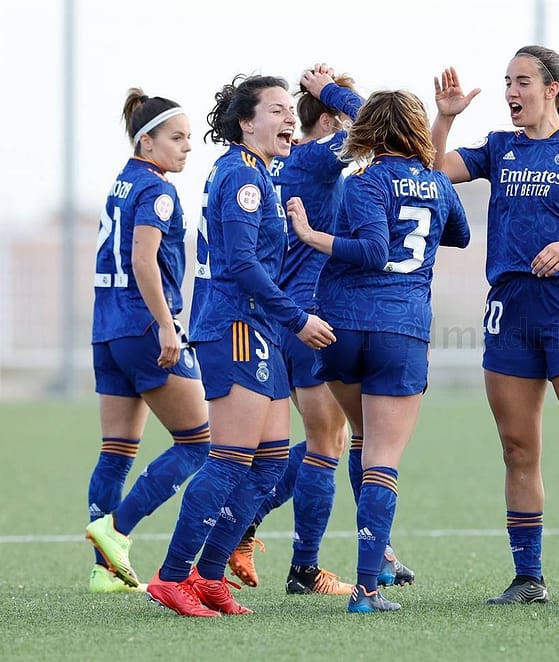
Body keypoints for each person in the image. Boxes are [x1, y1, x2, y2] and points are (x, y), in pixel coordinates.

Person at [432, 46, 559, 605]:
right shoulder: (500, 148)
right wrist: (446, 115)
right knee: (517, 448)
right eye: (506, 82)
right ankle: (529, 579)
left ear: (553, 88)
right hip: (510, 309)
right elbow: (431, 167)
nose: (510, 91)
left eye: (521, 80)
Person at [144, 74, 336, 617]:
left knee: (272, 461)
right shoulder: (242, 177)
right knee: (229, 459)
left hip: (259, 329)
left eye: (288, 110)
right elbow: (241, 265)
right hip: (235, 327)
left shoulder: (258, 173)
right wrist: (298, 319)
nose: (288, 118)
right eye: (276, 110)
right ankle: (173, 575)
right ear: (246, 122)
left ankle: (208, 575)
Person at [287, 88, 470, 612]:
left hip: (343, 328)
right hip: (400, 329)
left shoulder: (361, 179)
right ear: (414, 128)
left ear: (367, 128)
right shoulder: (436, 180)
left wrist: (311, 233)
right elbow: (453, 235)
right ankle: (366, 590)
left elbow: (367, 249)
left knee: (362, 440)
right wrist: (312, 234)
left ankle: (380, 561)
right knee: (382, 461)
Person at [225, 63, 363, 597]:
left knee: (284, 451)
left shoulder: (262, 166)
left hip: (269, 317)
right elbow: (370, 122)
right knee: (327, 442)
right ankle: (302, 566)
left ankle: (242, 530)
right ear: (327, 118)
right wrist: (331, 90)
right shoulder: (314, 157)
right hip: (305, 317)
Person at [85, 89, 211, 594]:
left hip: (107, 330)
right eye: (176, 138)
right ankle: (116, 532)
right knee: (198, 443)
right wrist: (165, 324)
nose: (186, 147)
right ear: (146, 141)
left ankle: (103, 569)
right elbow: (143, 261)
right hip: (143, 326)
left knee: (116, 450)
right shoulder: (158, 190)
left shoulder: (122, 182)